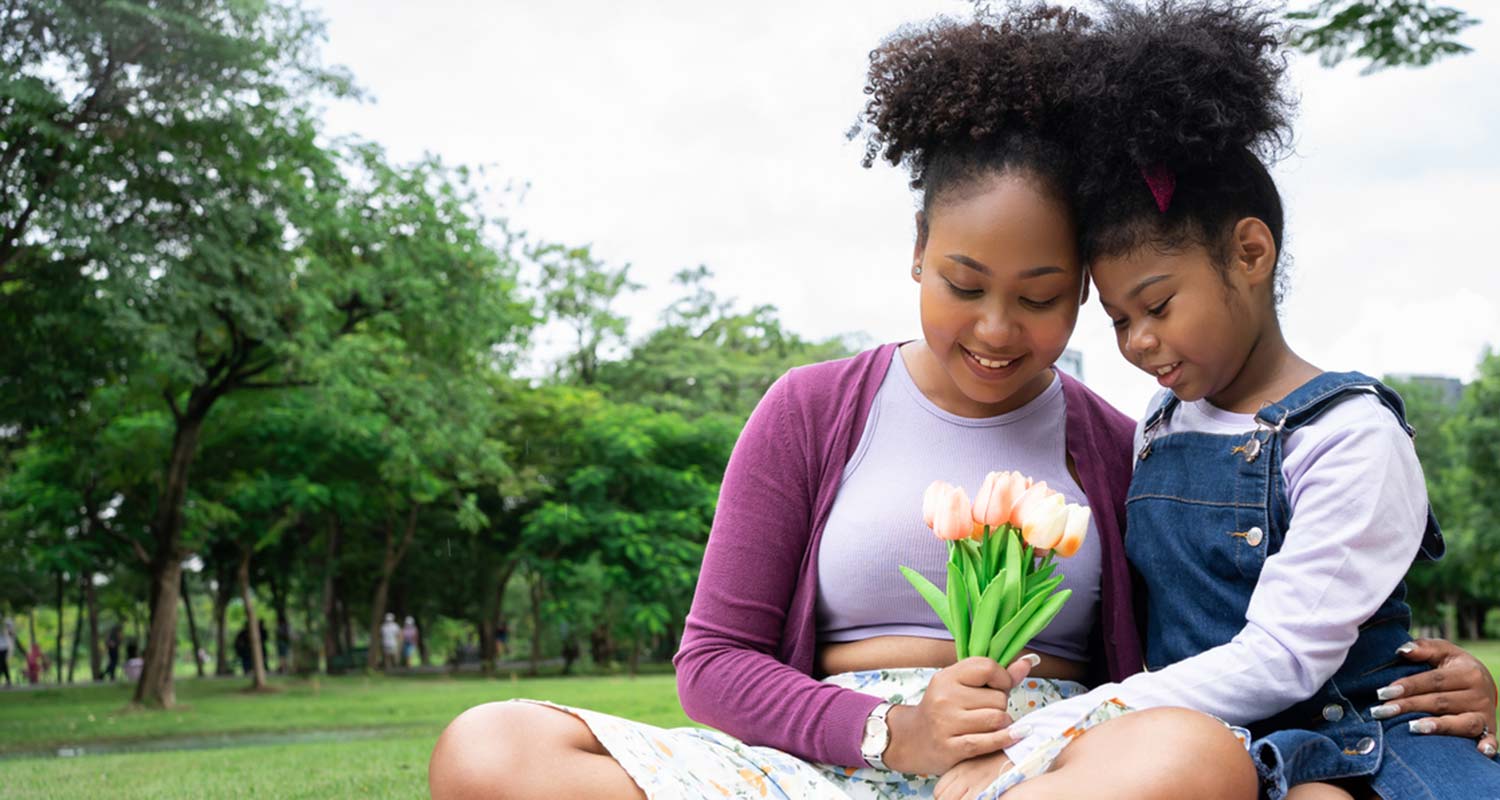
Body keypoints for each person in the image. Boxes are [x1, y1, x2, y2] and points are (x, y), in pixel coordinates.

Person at [428, 7, 1497, 799]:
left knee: (1191, 756)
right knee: (491, 746)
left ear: (1083, 289)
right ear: (916, 256)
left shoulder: (1130, 442)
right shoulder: (811, 410)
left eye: (1042, 298)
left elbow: (1231, 642)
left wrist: (1432, 693)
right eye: (964, 284)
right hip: (824, 759)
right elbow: (711, 666)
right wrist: (891, 731)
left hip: (1046, 768)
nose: (996, 329)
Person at [943, 4, 1500, 799]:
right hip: (1205, 744)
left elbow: (1286, 655)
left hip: (1358, 743)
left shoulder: (1348, 436)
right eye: (1119, 319)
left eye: (1159, 305)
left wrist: (1095, 715)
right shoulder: (1161, 426)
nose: (1136, 342)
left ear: (1249, 252)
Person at [0, 616, 13, 687]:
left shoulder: (4, 623)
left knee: (2, 663)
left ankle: (8, 680)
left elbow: (10, 632)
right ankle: (8, 680)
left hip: (4, 647)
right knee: (4, 665)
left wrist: (7, 628)